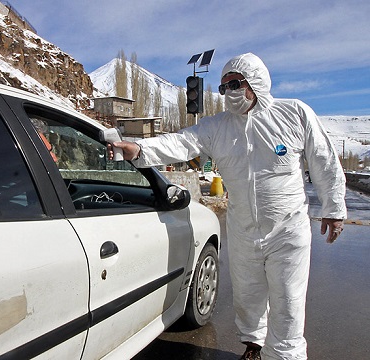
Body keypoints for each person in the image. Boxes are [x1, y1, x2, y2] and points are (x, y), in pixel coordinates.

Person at [109, 53, 346, 360]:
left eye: (235, 84)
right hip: (243, 229)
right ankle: (253, 344)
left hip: (288, 230)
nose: (229, 93)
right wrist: (139, 148)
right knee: (247, 297)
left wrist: (334, 207)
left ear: (256, 82)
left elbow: (324, 159)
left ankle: (285, 356)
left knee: (288, 300)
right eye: (224, 88)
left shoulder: (294, 114)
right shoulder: (218, 127)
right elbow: (181, 142)